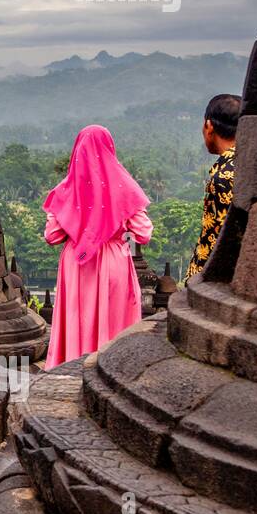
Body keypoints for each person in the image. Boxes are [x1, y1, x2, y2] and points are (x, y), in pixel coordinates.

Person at [41, 125, 153, 368]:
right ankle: (113, 370)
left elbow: (52, 236)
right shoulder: (124, 188)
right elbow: (143, 234)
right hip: (114, 260)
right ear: (110, 148)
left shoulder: (65, 190)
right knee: (112, 320)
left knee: (77, 317)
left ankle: (72, 365)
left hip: (77, 261)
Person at [185, 94, 240, 282]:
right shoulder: (249, 162)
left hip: (216, 278)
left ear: (209, 127)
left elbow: (217, 238)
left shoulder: (224, 176)